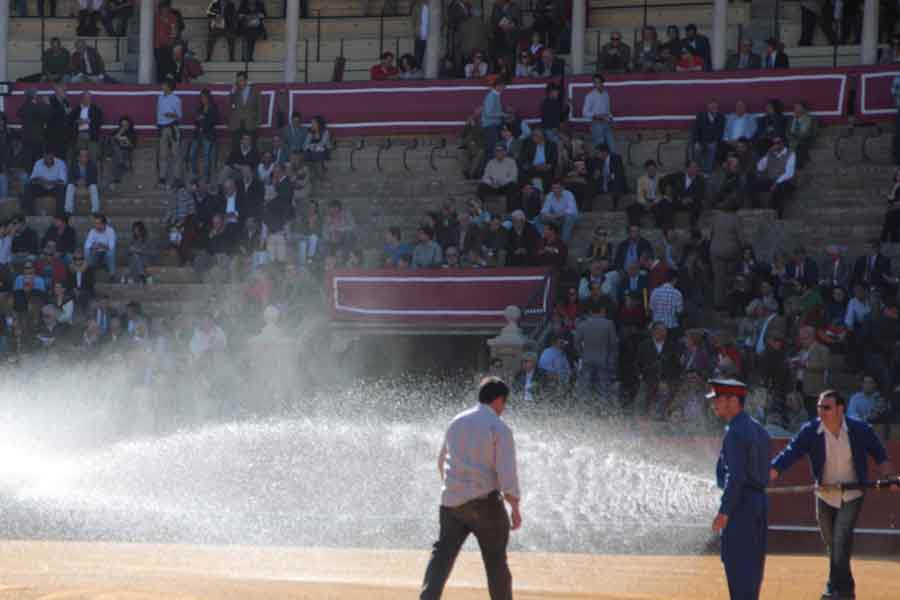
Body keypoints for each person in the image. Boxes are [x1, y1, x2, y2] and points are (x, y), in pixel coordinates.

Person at [770, 390, 898, 600]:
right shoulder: (810, 431)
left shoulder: (859, 429)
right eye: (819, 407)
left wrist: (890, 476)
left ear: (841, 409)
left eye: (827, 407)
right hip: (825, 493)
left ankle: (833, 588)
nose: (822, 412)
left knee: (840, 539)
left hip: (852, 494)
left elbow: (880, 454)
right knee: (832, 542)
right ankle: (846, 590)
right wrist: (771, 472)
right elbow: (790, 454)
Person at [420, 376, 520, 600]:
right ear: (498, 400)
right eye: (504, 403)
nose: (503, 408)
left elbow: (441, 461)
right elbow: (507, 472)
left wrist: (453, 487)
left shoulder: (457, 421)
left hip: (452, 502)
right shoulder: (499, 427)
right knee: (495, 561)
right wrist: (514, 506)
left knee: (442, 555)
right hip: (486, 503)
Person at [708, 378, 770, 600]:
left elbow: (736, 477)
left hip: (740, 506)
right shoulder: (758, 429)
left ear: (733, 401)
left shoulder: (735, 431)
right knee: (752, 570)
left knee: (738, 568)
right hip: (758, 503)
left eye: (718, 399)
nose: (713, 403)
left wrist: (724, 511)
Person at [156, 78, 183, 189]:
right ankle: (162, 177)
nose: (162, 86)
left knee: (175, 154)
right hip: (162, 128)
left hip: (172, 127)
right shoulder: (160, 97)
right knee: (162, 154)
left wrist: (171, 115)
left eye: (164, 85)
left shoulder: (176, 99)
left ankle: (177, 178)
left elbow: (179, 116)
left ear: (169, 87)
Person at [23, 150, 68, 217]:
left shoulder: (60, 163)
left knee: (62, 188)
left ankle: (60, 216)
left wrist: (49, 182)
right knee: (28, 186)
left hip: (54, 188)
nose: (48, 160)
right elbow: (32, 179)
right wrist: (40, 180)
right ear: (43, 157)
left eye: (50, 158)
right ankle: (29, 214)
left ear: (53, 156)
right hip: (42, 187)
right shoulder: (38, 162)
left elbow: (63, 181)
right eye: (46, 158)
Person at [190, 89, 220, 183]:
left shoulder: (213, 108)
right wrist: (201, 120)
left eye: (204, 97)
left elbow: (214, 120)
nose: (203, 99)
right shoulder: (200, 108)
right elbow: (195, 121)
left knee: (206, 156)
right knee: (192, 154)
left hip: (208, 134)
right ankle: (195, 173)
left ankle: (206, 177)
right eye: (201, 97)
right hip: (198, 134)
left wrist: (203, 120)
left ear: (208, 97)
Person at [582, 74, 614, 151]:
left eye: (599, 82)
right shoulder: (590, 96)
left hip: (606, 123)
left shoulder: (606, 94)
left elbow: (608, 110)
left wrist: (611, 119)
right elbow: (584, 112)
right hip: (596, 124)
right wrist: (597, 116)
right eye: (595, 82)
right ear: (593, 84)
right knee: (600, 149)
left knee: (611, 146)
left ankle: (609, 162)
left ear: (602, 83)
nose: (597, 84)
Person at [64, 147, 100, 215]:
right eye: (82, 156)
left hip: (88, 184)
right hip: (76, 184)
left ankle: (95, 211)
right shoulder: (72, 165)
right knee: (69, 186)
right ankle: (68, 210)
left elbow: (94, 180)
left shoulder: (92, 166)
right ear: (78, 157)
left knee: (93, 187)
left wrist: (85, 182)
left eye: (86, 156)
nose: (84, 158)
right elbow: (70, 178)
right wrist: (77, 182)